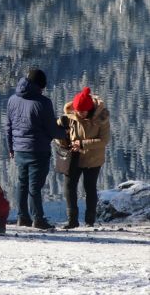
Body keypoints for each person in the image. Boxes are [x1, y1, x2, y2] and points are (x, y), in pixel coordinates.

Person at [5, 68, 67, 230]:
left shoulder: (12, 100)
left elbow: (8, 127)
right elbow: (52, 131)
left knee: (22, 184)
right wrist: (66, 132)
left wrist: (10, 147)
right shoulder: (43, 103)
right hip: (38, 151)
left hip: (19, 150)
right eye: (42, 87)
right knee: (34, 187)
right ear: (39, 86)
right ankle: (38, 219)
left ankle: (22, 217)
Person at [57, 86, 110, 229]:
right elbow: (56, 135)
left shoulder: (102, 118)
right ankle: (72, 220)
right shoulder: (69, 116)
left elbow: (104, 141)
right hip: (73, 159)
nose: (79, 114)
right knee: (69, 186)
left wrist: (82, 144)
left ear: (90, 109)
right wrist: (64, 141)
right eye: (77, 111)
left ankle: (89, 221)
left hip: (93, 160)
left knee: (89, 188)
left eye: (82, 111)